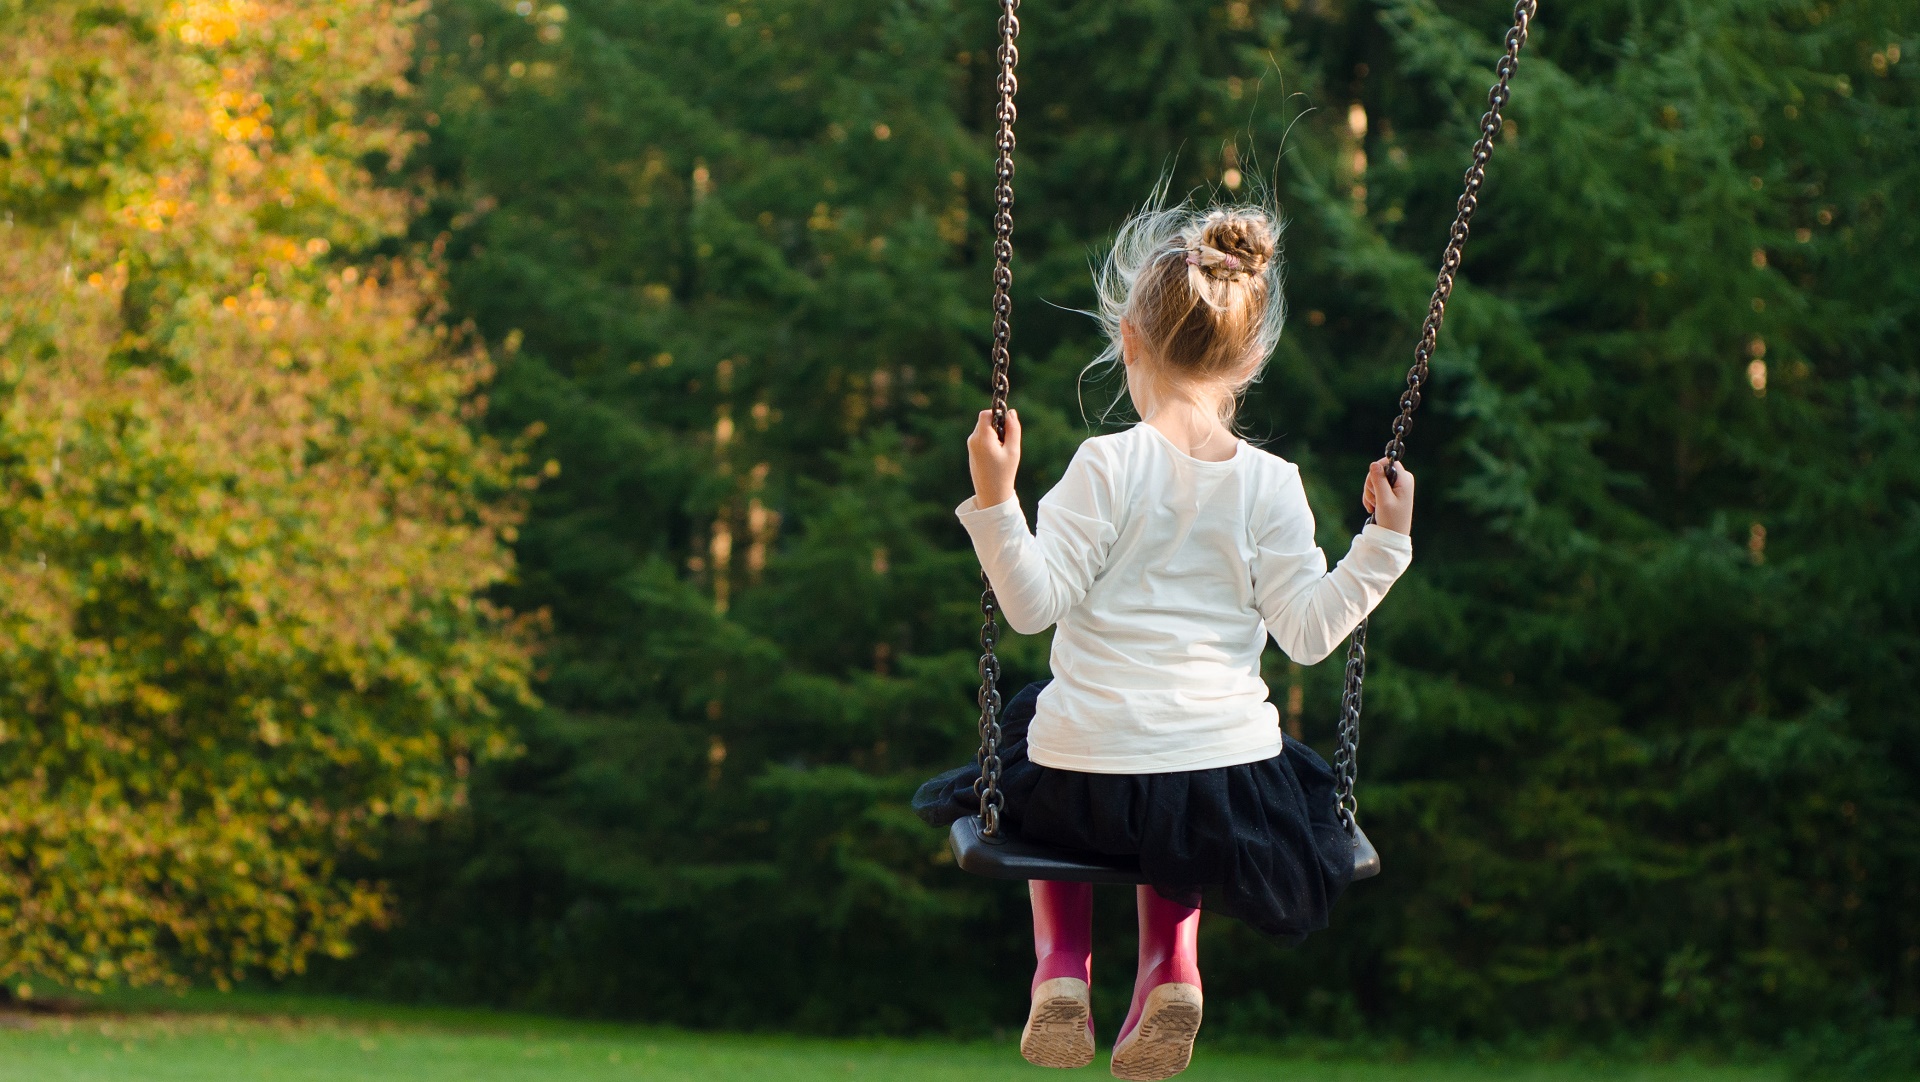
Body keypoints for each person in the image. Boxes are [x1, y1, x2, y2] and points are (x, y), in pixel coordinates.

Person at [913, 201, 1416, 1080]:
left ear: (1128, 340)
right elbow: (1307, 635)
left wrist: (996, 500)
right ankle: (1172, 969)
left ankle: (1062, 967)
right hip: (1221, 784)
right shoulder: (1272, 485)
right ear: (1252, 359)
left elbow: (1029, 607)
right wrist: (1384, 546)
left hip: (1085, 778)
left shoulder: (1105, 466)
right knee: (1182, 796)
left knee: (1038, 734)